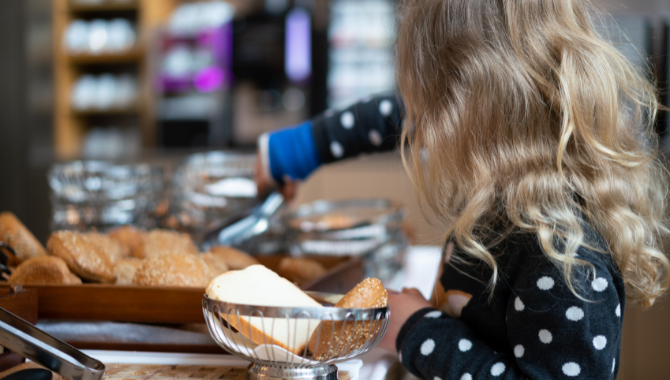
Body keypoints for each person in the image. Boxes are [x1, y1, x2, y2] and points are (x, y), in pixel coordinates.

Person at [256, 0, 670, 379]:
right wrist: (289, 153)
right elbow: (392, 115)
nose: (419, 128)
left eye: (432, 109)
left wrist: (415, 329)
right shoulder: (509, 164)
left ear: (468, 108)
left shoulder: (566, 260)